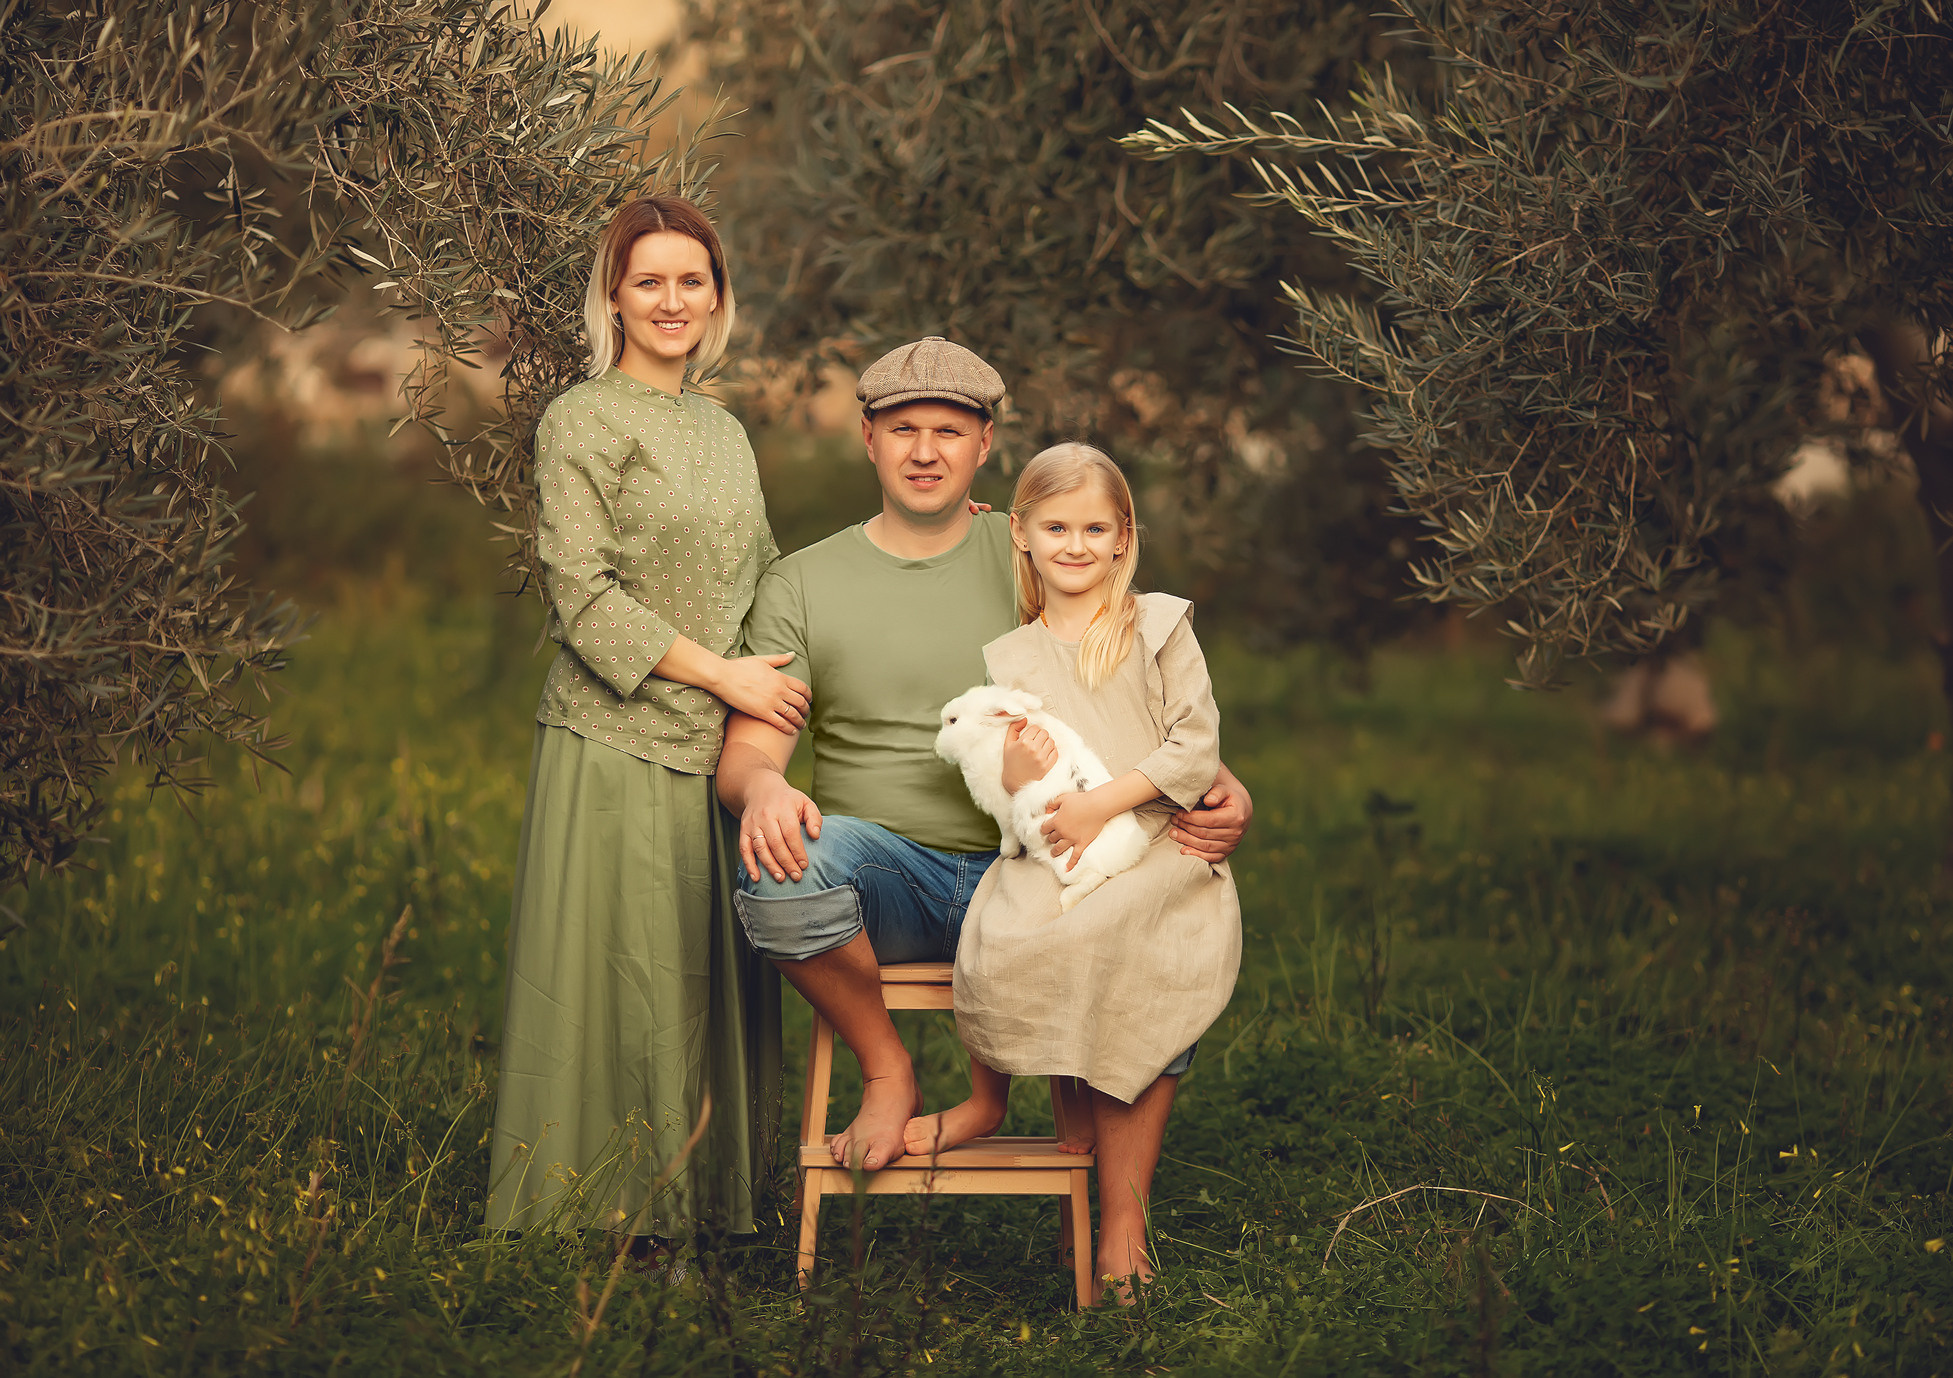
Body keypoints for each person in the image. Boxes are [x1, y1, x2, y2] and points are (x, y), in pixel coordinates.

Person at [715, 338, 1253, 1184]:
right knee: (780, 870)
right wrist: (766, 789)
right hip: (890, 876)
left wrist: (1224, 788)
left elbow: (1134, 678)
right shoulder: (802, 584)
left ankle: (1123, 1227)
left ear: (985, 443)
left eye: (948, 431)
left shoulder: (1036, 548)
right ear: (867, 438)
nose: (924, 452)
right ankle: (888, 1070)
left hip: (1045, 862)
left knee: (1169, 910)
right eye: (902, 430)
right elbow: (747, 755)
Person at [486, 195, 808, 1255]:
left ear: (718, 297)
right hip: (618, 741)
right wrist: (725, 677)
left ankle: (711, 1208)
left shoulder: (722, 429)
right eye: (649, 281)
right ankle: (599, 1215)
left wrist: (925, 538)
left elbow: (769, 577)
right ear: (613, 298)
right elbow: (581, 594)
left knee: (704, 983)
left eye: (692, 280)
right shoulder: (582, 418)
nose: (673, 301)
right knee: (622, 984)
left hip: (723, 751)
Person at [923, 442, 1241, 1301]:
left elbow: (1194, 744)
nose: (1075, 544)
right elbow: (1012, 792)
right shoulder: (1011, 660)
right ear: (1020, 534)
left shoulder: (1158, 627)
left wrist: (1107, 804)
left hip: (1156, 846)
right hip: (1059, 854)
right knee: (1015, 939)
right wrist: (1026, 776)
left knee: (1145, 953)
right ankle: (1063, 1079)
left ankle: (1123, 1222)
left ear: (1122, 536)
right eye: (1055, 526)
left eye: (1094, 528)